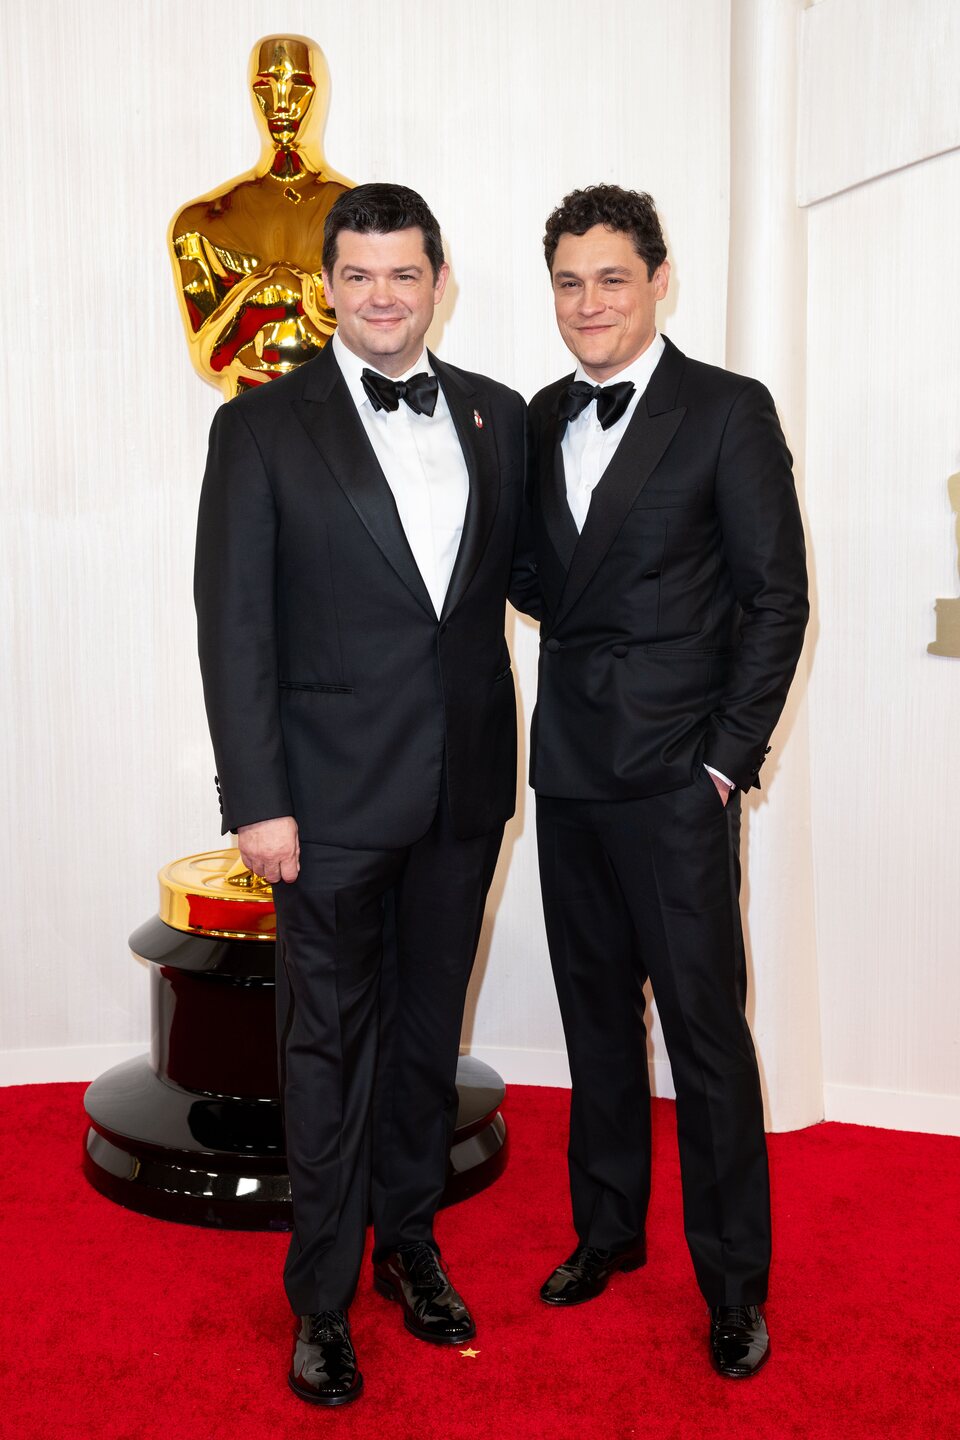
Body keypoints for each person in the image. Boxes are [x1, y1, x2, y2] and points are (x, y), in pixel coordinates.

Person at [194, 183, 530, 1406]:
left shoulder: (498, 416)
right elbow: (233, 629)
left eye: (405, 275)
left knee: (424, 1042)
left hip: (464, 794)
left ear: (438, 281)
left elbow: (533, 579)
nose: (382, 297)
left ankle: (413, 1249)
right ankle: (322, 1301)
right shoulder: (263, 427)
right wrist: (258, 798)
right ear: (328, 287)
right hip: (323, 805)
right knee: (328, 1051)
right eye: (360, 277)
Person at [515, 184, 809, 1378]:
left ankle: (735, 1281)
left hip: (682, 781)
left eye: (611, 279)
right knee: (595, 1024)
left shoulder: (728, 411)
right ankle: (607, 1232)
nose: (590, 303)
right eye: (570, 283)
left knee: (704, 1034)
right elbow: (538, 576)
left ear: (659, 279)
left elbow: (776, 600)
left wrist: (726, 761)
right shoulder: (534, 419)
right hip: (572, 774)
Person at [169, 34, 352, 398]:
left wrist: (299, 302)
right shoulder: (200, 222)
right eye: (264, 88)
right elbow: (210, 359)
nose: (280, 104)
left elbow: (385, 342)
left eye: (299, 86)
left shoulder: (369, 218)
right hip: (248, 425)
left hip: (341, 424)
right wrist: (257, 299)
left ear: (322, 94)